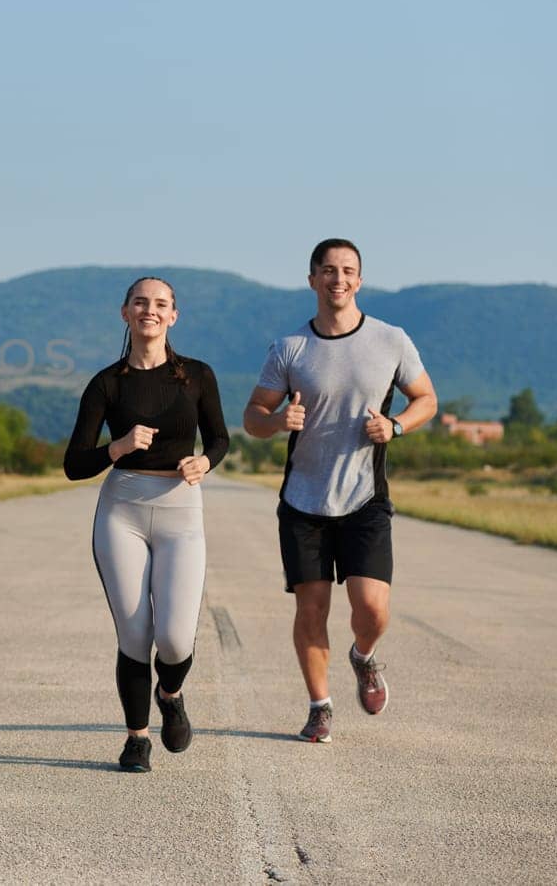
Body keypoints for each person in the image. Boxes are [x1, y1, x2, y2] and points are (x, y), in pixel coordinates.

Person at [243, 238, 437, 743]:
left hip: (364, 498)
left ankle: (363, 657)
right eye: (328, 270)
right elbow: (252, 417)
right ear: (312, 280)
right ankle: (319, 706)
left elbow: (426, 400)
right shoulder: (290, 349)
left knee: (371, 608)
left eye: (348, 270)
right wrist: (278, 419)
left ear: (360, 279)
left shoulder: (391, 340)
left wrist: (395, 427)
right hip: (303, 502)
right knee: (311, 610)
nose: (338, 279)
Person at [64, 276, 229, 773]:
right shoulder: (106, 383)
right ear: (125, 313)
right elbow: (75, 464)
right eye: (141, 302)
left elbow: (219, 439)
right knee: (135, 635)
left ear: (173, 316)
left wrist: (205, 462)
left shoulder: (197, 376)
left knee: (176, 638)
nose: (149, 311)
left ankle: (171, 693)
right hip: (122, 511)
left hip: (181, 511)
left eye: (160, 304)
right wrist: (117, 447)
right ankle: (137, 738)